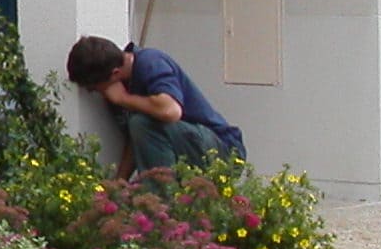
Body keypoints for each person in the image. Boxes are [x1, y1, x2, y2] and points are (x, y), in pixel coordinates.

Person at [65, 35, 246, 175]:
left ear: (114, 73)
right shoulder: (121, 87)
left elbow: (171, 111)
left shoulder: (150, 62)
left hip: (223, 151)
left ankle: (160, 204)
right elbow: (139, 138)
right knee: (139, 124)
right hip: (186, 146)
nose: (99, 93)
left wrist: (124, 99)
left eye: (96, 88)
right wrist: (119, 182)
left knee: (140, 122)